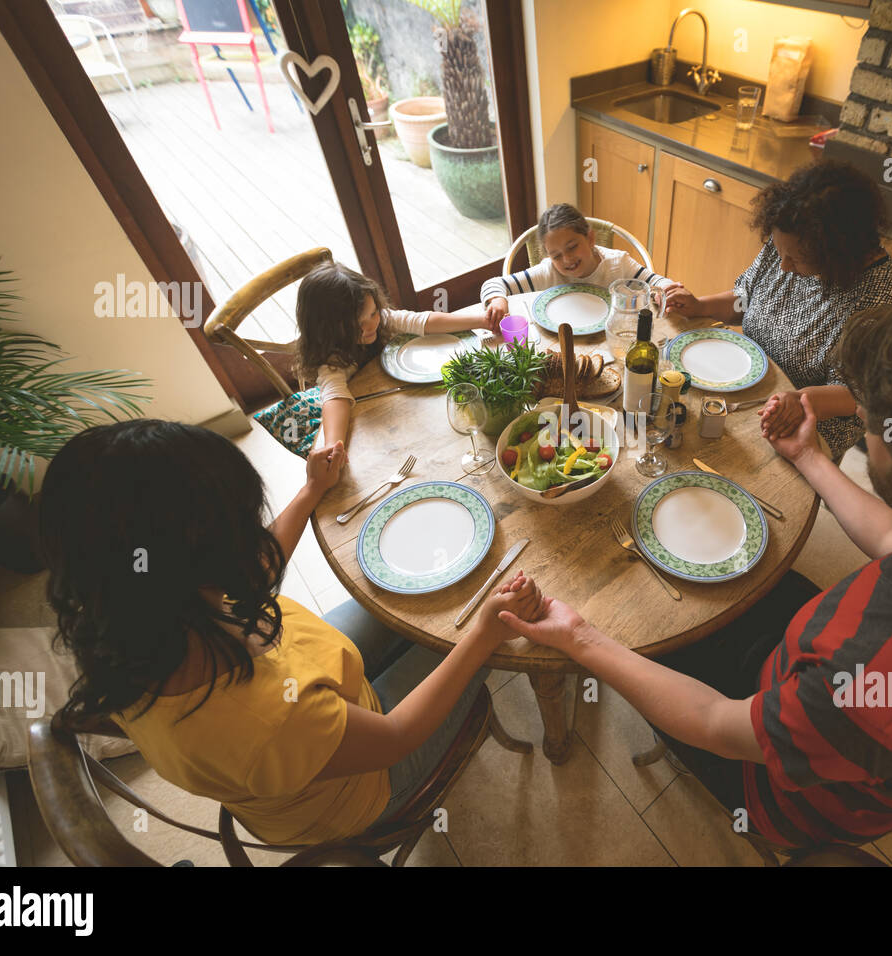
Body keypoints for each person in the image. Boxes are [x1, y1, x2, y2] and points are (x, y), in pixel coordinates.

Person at [498, 289, 892, 849]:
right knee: (723, 586)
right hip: (838, 708)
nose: (867, 425)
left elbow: (715, 723)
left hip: (784, 790)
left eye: (877, 422)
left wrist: (581, 639)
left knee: (648, 626)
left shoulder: (874, 691)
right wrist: (810, 458)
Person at [40, 419, 542, 846]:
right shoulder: (264, 718)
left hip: (310, 689)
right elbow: (396, 738)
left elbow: (251, 574)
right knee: (465, 637)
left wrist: (311, 491)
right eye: (237, 523)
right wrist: (481, 638)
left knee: (420, 594)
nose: (249, 532)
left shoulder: (130, 610)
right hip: (365, 783)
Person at [664, 161, 892, 460]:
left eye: (796, 259)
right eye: (779, 253)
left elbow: (856, 393)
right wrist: (700, 305)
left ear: (837, 252)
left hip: (806, 421)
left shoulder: (878, 296)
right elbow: (744, 298)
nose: (783, 267)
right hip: (750, 390)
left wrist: (801, 400)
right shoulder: (792, 238)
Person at [295, 261, 499, 450]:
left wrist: (482, 320)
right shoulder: (332, 359)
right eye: (358, 325)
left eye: (373, 313)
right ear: (328, 330)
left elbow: (423, 322)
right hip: (371, 425)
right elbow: (334, 396)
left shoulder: (382, 320)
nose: (371, 324)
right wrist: (333, 445)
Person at [481, 203, 675, 326]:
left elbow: (656, 281)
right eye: (556, 255)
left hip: (610, 340)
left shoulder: (618, 264)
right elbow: (493, 284)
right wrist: (498, 300)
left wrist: (667, 289)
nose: (566, 260)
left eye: (572, 247)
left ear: (590, 238)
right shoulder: (548, 272)